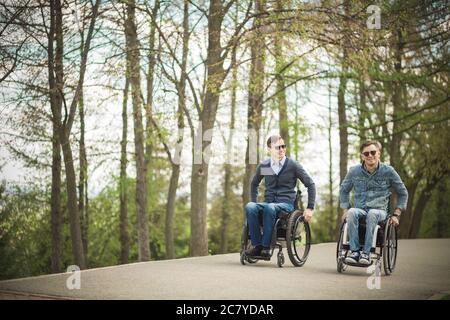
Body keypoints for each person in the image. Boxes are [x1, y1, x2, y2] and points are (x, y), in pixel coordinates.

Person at [245, 135, 316, 258]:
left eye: (283, 146)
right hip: (268, 203)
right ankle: (257, 246)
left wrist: (310, 208)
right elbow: (254, 184)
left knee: (270, 207)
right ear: (269, 149)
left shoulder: (293, 166)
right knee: (250, 207)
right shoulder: (265, 166)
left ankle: (266, 248)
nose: (282, 149)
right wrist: (255, 202)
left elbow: (310, 184)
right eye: (278, 147)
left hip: (286, 204)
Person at [340, 140, 408, 265]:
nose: (370, 155)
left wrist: (396, 214)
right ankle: (354, 252)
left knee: (372, 213)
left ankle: (366, 253)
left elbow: (403, 193)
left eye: (373, 152)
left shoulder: (389, 171)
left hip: (380, 211)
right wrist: (345, 209)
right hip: (360, 209)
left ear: (379, 154)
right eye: (366, 153)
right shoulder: (354, 171)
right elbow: (344, 190)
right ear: (362, 156)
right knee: (352, 212)